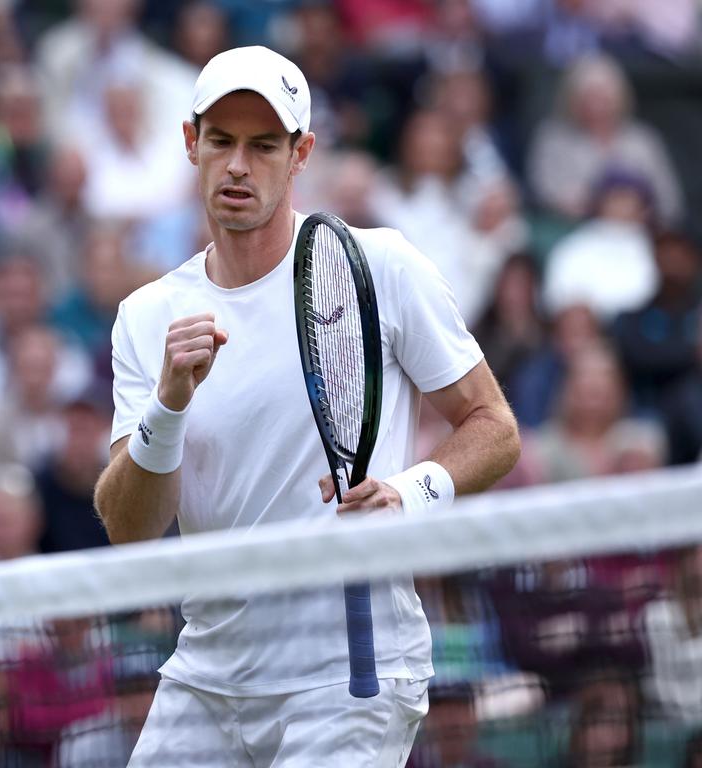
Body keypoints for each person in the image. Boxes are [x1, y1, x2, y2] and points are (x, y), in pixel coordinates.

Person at [93, 46, 520, 766]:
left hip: (350, 669)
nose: (238, 166)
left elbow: (495, 427)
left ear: (301, 155)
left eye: (264, 146)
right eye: (222, 142)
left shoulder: (383, 265)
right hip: (209, 670)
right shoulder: (146, 316)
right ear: (191, 143)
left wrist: (410, 490)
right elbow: (130, 528)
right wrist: (167, 407)